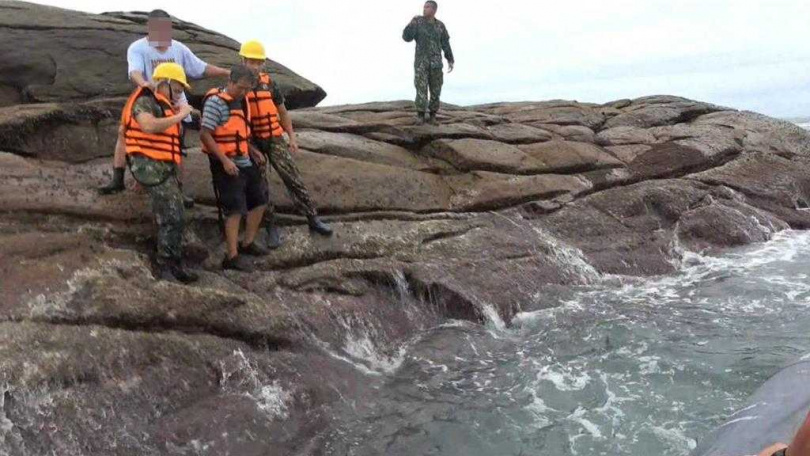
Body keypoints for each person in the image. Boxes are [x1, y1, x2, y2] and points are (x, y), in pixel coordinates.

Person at [99, 8, 229, 198]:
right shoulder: (138, 48)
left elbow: (200, 69)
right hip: (150, 98)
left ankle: (178, 189)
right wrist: (145, 84)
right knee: (125, 133)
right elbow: (134, 71)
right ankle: (119, 178)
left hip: (176, 101)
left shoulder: (179, 48)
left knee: (176, 142)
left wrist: (226, 73)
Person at [239, 40, 333, 246]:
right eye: (251, 62)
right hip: (252, 141)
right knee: (260, 186)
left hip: (273, 138)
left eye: (258, 62)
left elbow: (282, 112)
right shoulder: (238, 85)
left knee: (292, 177)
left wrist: (292, 137)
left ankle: (312, 217)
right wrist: (250, 148)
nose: (255, 66)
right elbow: (236, 121)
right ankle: (271, 226)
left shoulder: (270, 84)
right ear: (243, 61)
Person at [121, 63, 198, 284]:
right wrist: (180, 115)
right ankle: (165, 265)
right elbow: (148, 126)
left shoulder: (167, 106)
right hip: (150, 167)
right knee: (170, 217)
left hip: (164, 168)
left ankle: (174, 263)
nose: (180, 93)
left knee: (178, 216)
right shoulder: (146, 101)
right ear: (163, 83)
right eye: (178, 88)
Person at [200, 65, 270, 272]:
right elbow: (205, 134)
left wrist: (253, 150)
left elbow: (239, 133)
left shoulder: (241, 102)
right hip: (226, 163)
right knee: (235, 208)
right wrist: (224, 160)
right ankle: (232, 256)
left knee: (260, 200)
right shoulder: (215, 103)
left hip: (244, 159)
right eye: (240, 88)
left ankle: (247, 243)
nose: (244, 92)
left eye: (248, 89)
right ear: (230, 81)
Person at [402, 0, 455, 126]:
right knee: (421, 88)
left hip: (436, 64)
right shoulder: (418, 22)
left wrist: (450, 59)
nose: (424, 9)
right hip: (421, 63)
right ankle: (420, 114)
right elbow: (406, 38)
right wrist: (411, 24)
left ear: (434, 10)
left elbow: (445, 44)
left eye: (427, 7)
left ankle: (433, 115)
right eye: (424, 7)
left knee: (436, 89)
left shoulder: (440, 26)